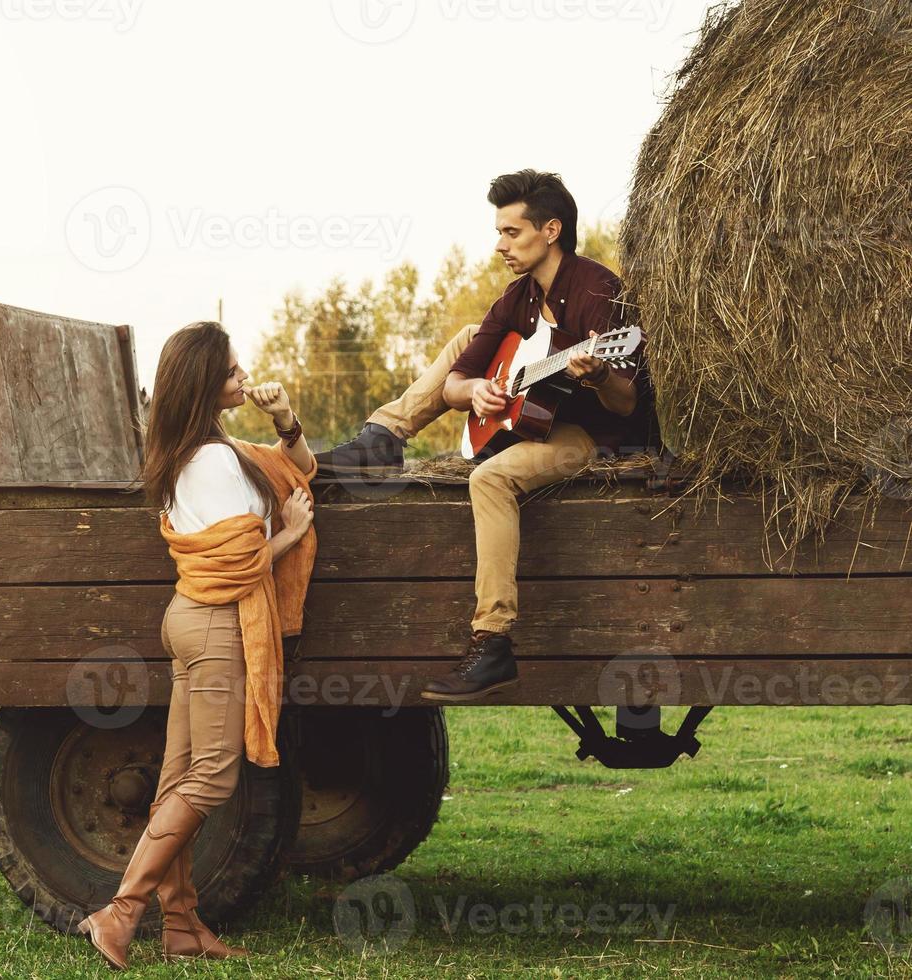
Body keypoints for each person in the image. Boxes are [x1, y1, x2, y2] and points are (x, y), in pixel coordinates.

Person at [314, 169, 650, 701]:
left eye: (511, 233)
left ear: (552, 230)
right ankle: (382, 438)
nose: (500, 245)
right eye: (499, 233)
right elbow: (451, 385)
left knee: (489, 479)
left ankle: (492, 642)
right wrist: (475, 393)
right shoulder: (519, 297)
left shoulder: (598, 292)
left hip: (595, 437)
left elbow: (628, 402)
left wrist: (601, 372)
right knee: (470, 339)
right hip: (532, 421)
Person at [78, 321, 317, 970]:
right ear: (206, 383)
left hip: (191, 620)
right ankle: (120, 913)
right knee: (212, 777)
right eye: (234, 372)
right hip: (215, 623)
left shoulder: (207, 450)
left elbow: (298, 469)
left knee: (177, 780)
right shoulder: (212, 462)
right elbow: (242, 566)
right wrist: (291, 535)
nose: (244, 378)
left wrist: (285, 419)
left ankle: (180, 925)